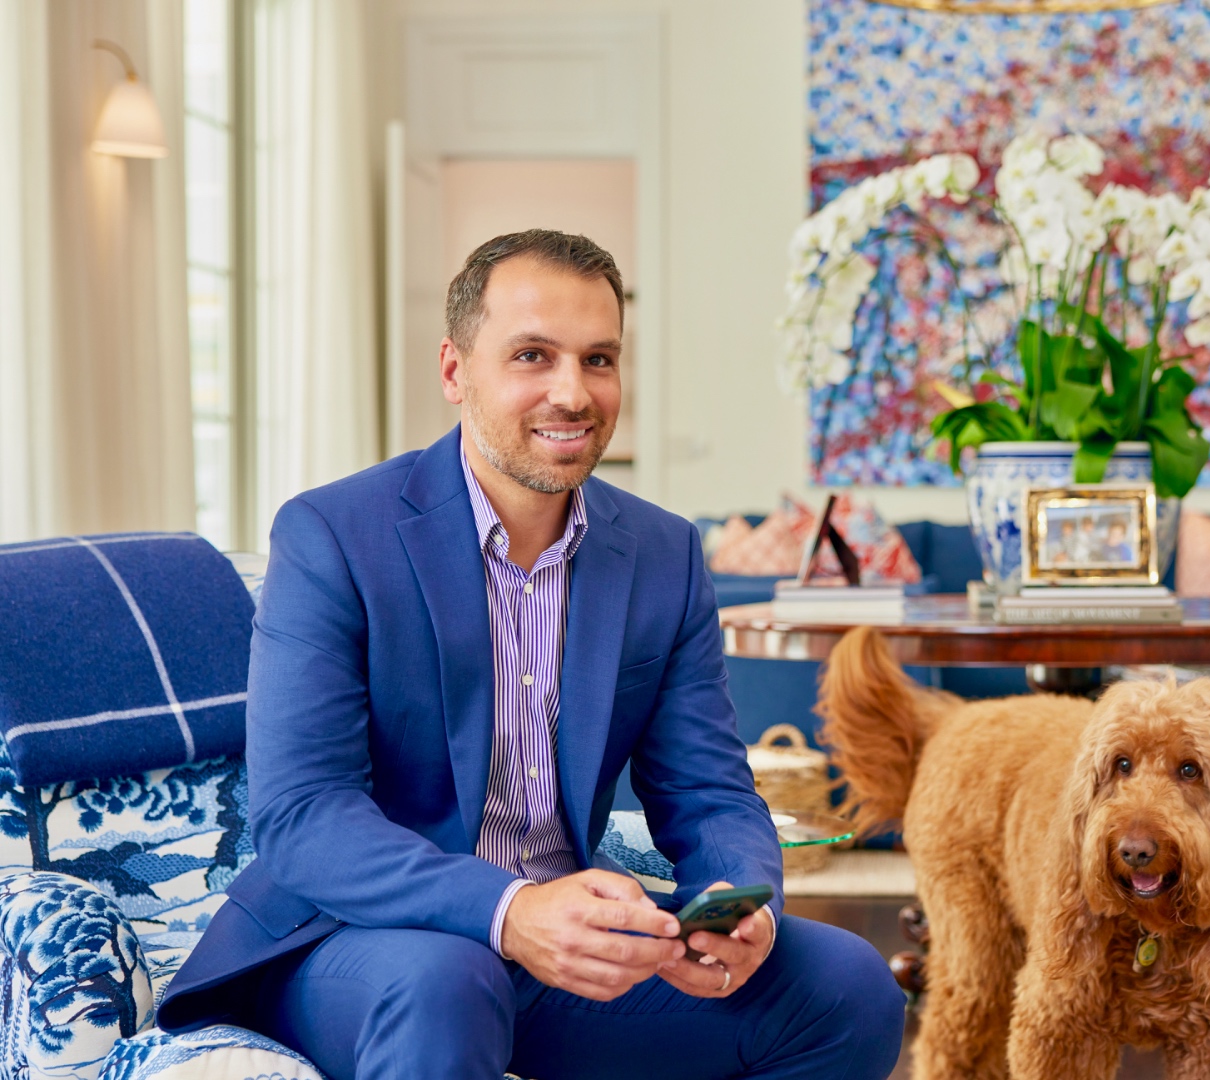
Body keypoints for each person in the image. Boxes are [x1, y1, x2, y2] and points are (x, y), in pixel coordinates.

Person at [157, 230, 906, 1080]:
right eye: (531, 356)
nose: (572, 392)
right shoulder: (333, 534)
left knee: (848, 986)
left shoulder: (663, 553)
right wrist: (512, 910)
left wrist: (735, 905)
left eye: (597, 359)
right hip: (352, 944)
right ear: (454, 371)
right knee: (451, 978)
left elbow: (706, 786)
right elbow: (304, 819)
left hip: (567, 952)